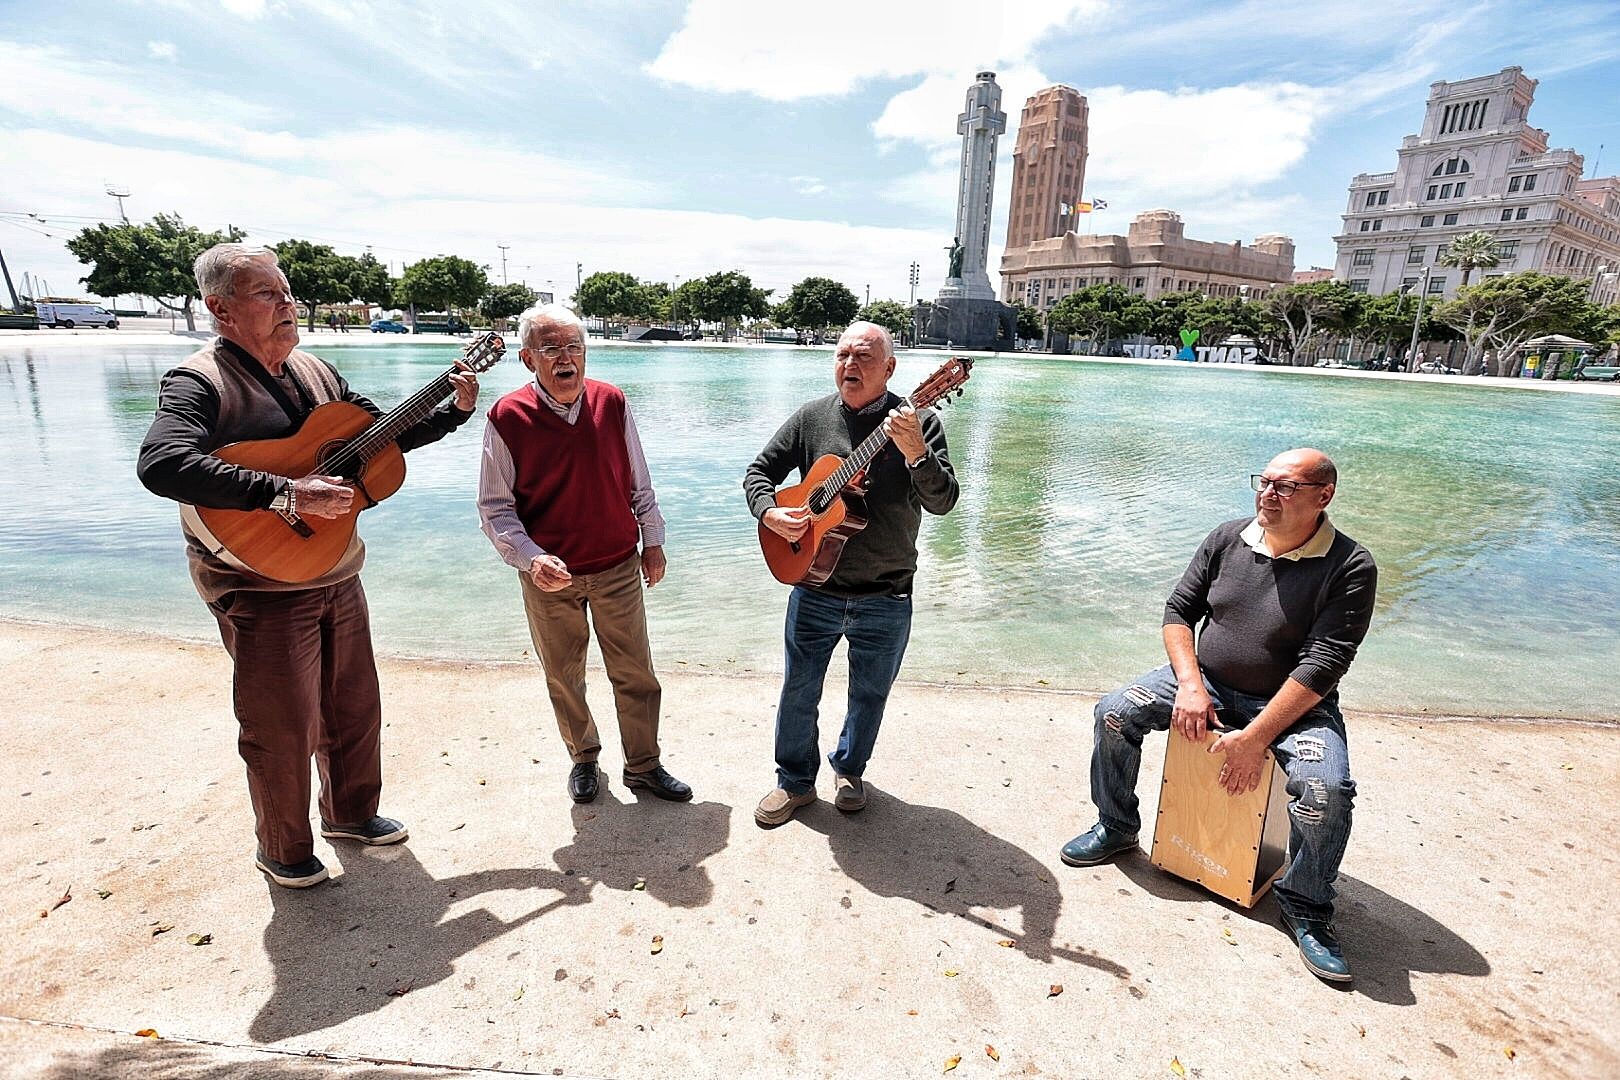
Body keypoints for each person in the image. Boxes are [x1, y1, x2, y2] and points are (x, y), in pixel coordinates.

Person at [136, 244, 479, 889]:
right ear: (220, 309)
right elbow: (162, 464)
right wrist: (283, 494)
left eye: (286, 291)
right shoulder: (198, 381)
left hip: (334, 567)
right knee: (281, 724)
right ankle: (284, 848)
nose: (287, 304)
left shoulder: (316, 371)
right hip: (254, 577)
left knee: (354, 705)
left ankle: (352, 814)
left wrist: (451, 412)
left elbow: (377, 438)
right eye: (267, 294)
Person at [1060, 449, 1376, 983]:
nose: (1267, 494)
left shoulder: (1350, 566)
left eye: (1285, 487)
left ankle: (1307, 903)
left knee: (1327, 791)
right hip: (1204, 682)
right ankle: (1115, 825)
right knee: (1115, 712)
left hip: (1296, 707)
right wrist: (1188, 684)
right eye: (1264, 482)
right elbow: (1179, 611)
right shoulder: (1228, 537)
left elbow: (1323, 667)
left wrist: (1255, 738)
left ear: (1323, 497)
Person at [744, 321, 959, 827]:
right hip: (812, 587)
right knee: (799, 688)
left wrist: (916, 456)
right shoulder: (812, 417)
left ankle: (849, 770)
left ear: (890, 368)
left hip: (887, 593)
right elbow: (759, 473)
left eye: (863, 357)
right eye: (843, 356)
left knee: (869, 694)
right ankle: (794, 783)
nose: (850, 366)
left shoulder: (919, 421)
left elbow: (944, 502)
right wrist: (770, 513)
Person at [477, 304, 690, 806]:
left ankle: (644, 765)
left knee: (635, 671)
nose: (566, 358)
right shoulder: (507, 416)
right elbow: (495, 508)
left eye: (575, 346)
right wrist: (531, 559)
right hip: (550, 577)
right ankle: (584, 758)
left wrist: (652, 539)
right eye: (551, 348)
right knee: (564, 674)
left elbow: (639, 479)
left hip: (617, 564)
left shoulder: (612, 402)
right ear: (529, 359)